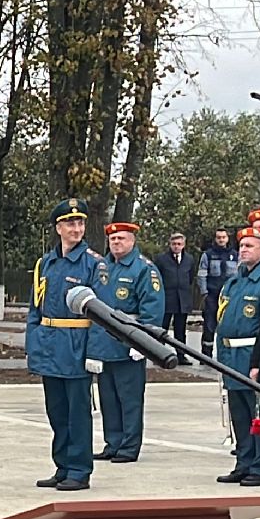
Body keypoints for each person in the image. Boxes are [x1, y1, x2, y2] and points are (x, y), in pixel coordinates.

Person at [26, 198, 106, 492]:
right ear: (58, 228)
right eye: (70, 223)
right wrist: (34, 345)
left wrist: (94, 353)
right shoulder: (46, 263)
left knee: (77, 413)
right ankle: (62, 465)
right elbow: (36, 308)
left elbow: (102, 315)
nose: (77, 228)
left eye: (81, 222)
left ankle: (79, 470)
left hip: (76, 346)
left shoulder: (93, 265)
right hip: (50, 346)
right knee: (56, 411)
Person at [90, 221, 163, 466]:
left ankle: (130, 446)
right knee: (108, 398)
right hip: (105, 342)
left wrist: (143, 344)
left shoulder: (143, 269)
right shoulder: (103, 267)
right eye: (112, 239)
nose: (116, 243)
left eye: (121, 238)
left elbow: (151, 311)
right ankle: (113, 443)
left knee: (129, 398)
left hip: (129, 342)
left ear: (132, 240)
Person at [214, 223, 260, 488]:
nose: (243, 250)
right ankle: (244, 463)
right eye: (241, 245)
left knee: (259, 416)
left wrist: (259, 364)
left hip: (253, 355)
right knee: (240, 415)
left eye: (249, 246)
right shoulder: (236, 280)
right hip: (231, 355)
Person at [200, 227, 238, 354]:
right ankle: (206, 356)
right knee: (209, 326)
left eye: (223, 237)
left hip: (230, 296)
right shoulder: (208, 255)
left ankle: (226, 355)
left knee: (229, 325)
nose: (221, 240)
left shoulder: (235, 255)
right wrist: (204, 292)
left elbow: (239, 276)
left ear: (227, 238)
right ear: (215, 239)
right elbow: (202, 274)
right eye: (219, 237)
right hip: (212, 295)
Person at [155, 231, 195, 341]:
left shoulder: (189, 259)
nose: (176, 246)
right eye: (174, 244)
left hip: (182, 300)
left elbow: (191, 277)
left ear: (183, 245)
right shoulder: (161, 259)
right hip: (166, 299)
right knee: (162, 329)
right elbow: (157, 278)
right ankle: (159, 355)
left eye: (179, 244)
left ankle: (181, 355)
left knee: (180, 331)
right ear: (170, 244)